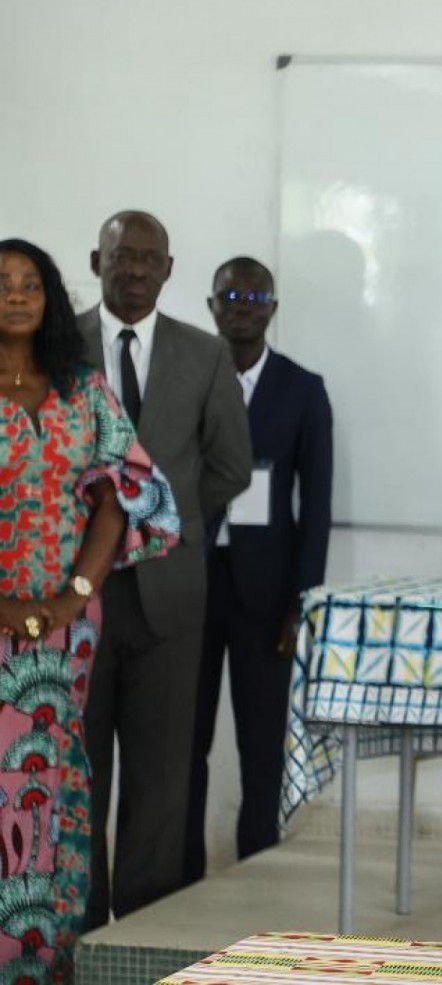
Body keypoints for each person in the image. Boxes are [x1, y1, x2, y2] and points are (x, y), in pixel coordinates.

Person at [0, 239, 180, 978]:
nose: (15, 294)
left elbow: (126, 491)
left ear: (49, 297)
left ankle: (47, 958)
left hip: (65, 633)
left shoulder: (83, 391)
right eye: (1, 283)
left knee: (54, 788)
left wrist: (71, 593)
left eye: (30, 283)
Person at [76, 211, 253, 926]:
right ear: (97, 260)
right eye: (123, 256)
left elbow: (230, 465)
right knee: (78, 780)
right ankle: (80, 933)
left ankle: (142, 935)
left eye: (150, 259)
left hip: (170, 597)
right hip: (74, 599)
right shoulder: (59, 346)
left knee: (161, 781)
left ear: (170, 269)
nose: (136, 270)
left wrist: (157, 528)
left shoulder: (204, 354)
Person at [184, 258, 334, 883]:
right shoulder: (185, 378)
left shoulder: (304, 389)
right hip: (189, 584)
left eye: (255, 295)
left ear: (272, 307)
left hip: (268, 597)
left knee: (260, 742)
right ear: (211, 304)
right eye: (229, 295)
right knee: (183, 743)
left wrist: (301, 602)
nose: (242, 305)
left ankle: (254, 870)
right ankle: (181, 871)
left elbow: (316, 505)